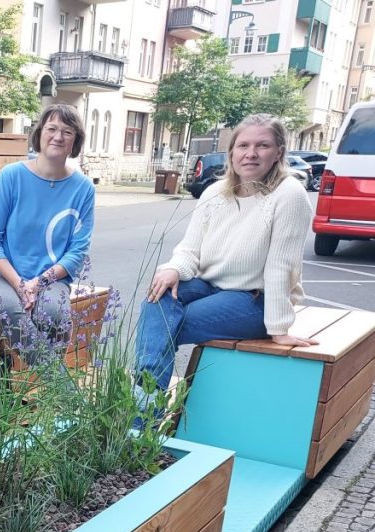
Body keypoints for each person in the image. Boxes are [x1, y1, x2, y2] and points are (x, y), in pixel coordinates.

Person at [134, 113, 317, 398]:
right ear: (232, 152)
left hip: (254, 298)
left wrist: (279, 327)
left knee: (165, 325)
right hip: (209, 286)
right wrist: (172, 269)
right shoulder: (214, 193)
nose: (251, 154)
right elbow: (190, 249)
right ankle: (144, 406)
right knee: (156, 300)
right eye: (243, 145)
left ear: (279, 152)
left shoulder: (289, 194)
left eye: (263, 146)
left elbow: (282, 265)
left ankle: (141, 413)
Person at [0, 104, 95, 368]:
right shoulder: (11, 176)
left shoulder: (83, 188)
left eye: (67, 131)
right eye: (51, 128)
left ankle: (48, 397)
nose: (58, 136)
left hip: (50, 280)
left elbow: (77, 250)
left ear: (76, 140)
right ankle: (63, 393)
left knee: (54, 312)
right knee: (11, 311)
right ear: (39, 133)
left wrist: (38, 283)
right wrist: (20, 284)